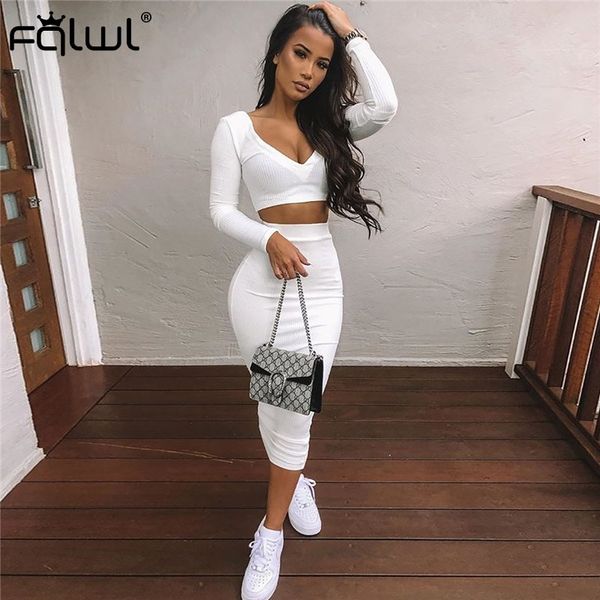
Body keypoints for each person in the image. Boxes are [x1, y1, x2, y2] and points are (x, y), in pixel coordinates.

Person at [208, 3, 397, 598]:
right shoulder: (235, 128)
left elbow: (385, 105)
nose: (309, 71)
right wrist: (268, 237)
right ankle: (288, 501)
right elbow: (220, 210)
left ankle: (275, 521)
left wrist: (349, 33)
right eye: (300, 54)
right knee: (279, 402)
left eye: (322, 62)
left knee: (297, 406)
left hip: (321, 285)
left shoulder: (329, 126)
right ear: (276, 54)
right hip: (260, 288)